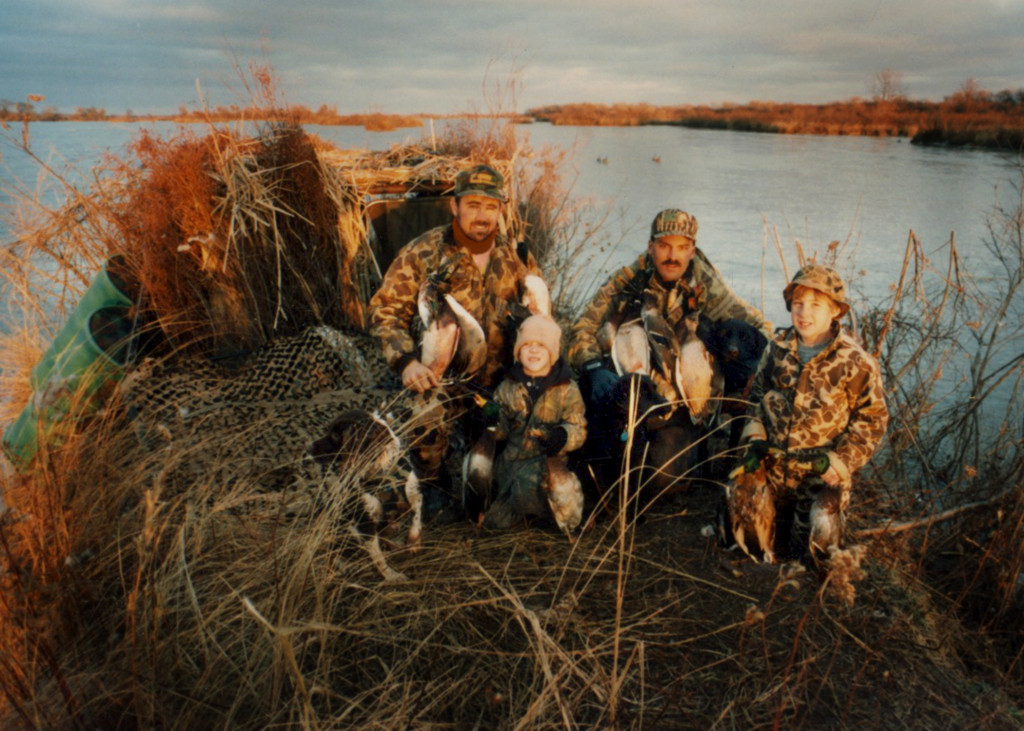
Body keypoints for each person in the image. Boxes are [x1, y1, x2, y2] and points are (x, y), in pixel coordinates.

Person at [368, 163, 545, 513]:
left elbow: (541, 323)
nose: (482, 216)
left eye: (490, 207)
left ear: (500, 210)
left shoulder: (516, 258)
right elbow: (384, 312)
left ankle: (495, 466)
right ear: (455, 206)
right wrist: (406, 362)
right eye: (473, 205)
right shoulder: (424, 252)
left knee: (515, 471)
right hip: (444, 380)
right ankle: (433, 483)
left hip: (500, 383)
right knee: (422, 412)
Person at [567, 208, 770, 489]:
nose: (672, 256)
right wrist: (593, 367)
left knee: (664, 480)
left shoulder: (704, 284)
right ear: (651, 247)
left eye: (681, 248)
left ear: (692, 250)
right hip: (635, 392)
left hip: (683, 399)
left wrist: (751, 375)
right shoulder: (628, 281)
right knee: (613, 470)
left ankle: (697, 439)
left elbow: (758, 327)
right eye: (664, 246)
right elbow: (581, 329)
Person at [738, 263, 889, 561]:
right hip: (775, 472)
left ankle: (809, 565)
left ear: (836, 311)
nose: (804, 313)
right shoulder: (777, 348)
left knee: (810, 550)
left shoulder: (855, 362)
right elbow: (755, 398)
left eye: (816, 305)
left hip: (820, 478)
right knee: (750, 534)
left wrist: (842, 462)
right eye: (798, 304)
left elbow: (872, 421)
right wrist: (755, 434)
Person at [483, 315, 587, 529]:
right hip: (510, 465)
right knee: (493, 524)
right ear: (517, 352)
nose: (533, 350)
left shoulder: (567, 389)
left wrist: (563, 436)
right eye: (527, 345)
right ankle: (526, 513)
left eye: (541, 345)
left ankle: (554, 518)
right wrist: (490, 419)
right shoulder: (506, 388)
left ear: (553, 352)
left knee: (540, 496)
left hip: (548, 466)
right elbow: (500, 432)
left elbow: (579, 428)